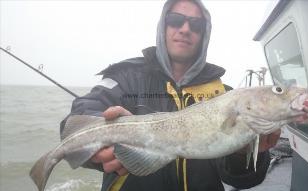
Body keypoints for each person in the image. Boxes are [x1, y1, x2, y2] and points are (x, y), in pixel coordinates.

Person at [60, 0, 281, 190]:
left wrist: (243, 152)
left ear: (204, 35)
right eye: (176, 20)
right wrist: (99, 152)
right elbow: (79, 115)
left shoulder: (224, 96)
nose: (185, 29)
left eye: (196, 25)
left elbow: (243, 180)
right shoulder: (125, 76)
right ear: (163, 27)